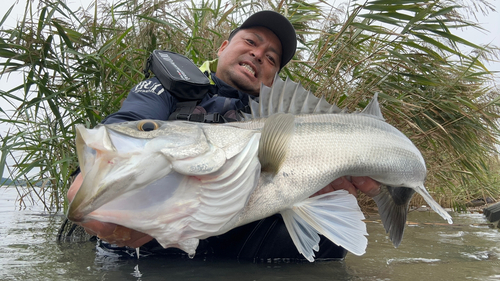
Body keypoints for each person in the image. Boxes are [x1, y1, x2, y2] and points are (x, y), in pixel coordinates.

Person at [66, 11, 381, 261]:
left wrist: (316, 185)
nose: (259, 55)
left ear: (274, 78)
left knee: (329, 244)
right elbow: (122, 132)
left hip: (234, 233)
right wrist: (88, 191)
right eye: (251, 42)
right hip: (155, 244)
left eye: (271, 58)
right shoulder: (166, 89)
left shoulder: (280, 121)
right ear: (222, 47)